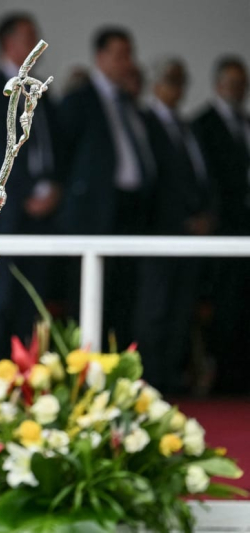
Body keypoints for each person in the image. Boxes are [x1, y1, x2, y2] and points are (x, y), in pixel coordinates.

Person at [0, 13, 59, 384]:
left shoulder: (40, 89)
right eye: (28, 37)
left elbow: (46, 148)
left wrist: (52, 187)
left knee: (32, 302)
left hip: (42, 214)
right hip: (7, 211)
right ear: (8, 42)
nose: (36, 45)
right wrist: (21, 196)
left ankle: (26, 387)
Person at [57, 27, 156, 348]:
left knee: (124, 295)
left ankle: (118, 365)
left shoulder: (129, 103)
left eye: (129, 55)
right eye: (120, 55)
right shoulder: (79, 100)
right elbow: (63, 156)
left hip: (131, 208)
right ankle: (85, 366)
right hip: (92, 212)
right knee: (89, 293)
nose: (127, 62)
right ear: (100, 57)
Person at [134, 58, 212, 393]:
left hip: (191, 233)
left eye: (182, 81)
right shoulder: (144, 122)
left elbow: (200, 175)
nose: (177, 88)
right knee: (155, 308)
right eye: (170, 80)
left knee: (181, 308)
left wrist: (205, 215)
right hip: (158, 231)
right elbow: (153, 181)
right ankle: (151, 381)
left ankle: (172, 379)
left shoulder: (187, 126)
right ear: (155, 83)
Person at [192, 56, 250, 394]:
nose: (238, 89)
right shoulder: (202, 124)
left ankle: (241, 374)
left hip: (245, 226)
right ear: (218, 84)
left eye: (242, 83)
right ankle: (223, 377)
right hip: (221, 228)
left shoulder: (245, 122)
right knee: (223, 303)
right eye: (232, 83)